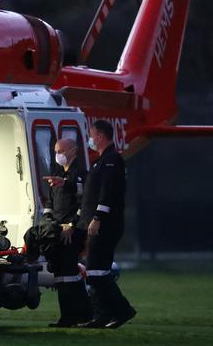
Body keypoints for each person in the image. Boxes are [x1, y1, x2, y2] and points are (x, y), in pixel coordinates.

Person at [78, 120, 136, 329]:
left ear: (101, 135)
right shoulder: (103, 160)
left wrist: (97, 218)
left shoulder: (111, 160)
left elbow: (108, 192)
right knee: (95, 270)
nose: (90, 139)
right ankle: (102, 315)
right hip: (98, 223)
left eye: (91, 135)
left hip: (104, 225)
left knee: (96, 271)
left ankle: (122, 310)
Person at [42, 138, 92, 327]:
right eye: (56, 151)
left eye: (61, 150)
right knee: (61, 276)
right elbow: (50, 204)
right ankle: (68, 316)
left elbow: (85, 203)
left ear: (73, 151)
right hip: (57, 231)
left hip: (72, 232)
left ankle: (82, 314)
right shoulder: (56, 175)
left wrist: (72, 225)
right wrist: (47, 221)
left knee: (69, 274)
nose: (58, 154)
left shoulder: (80, 175)